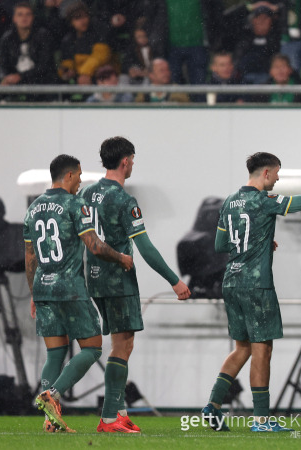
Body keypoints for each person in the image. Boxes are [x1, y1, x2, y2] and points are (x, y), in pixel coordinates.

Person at [201, 141, 301, 433]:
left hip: (231, 280)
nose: (278, 179)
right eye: (277, 174)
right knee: (262, 350)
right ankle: (261, 420)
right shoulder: (265, 201)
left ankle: (212, 405)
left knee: (242, 348)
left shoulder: (229, 200)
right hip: (256, 284)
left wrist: (257, 240)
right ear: (267, 172)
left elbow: (221, 244)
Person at [79, 137, 191, 433]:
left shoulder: (87, 193)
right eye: (133, 159)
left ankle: (120, 411)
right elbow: (145, 247)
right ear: (126, 161)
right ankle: (108, 418)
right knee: (123, 344)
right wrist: (174, 280)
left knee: (120, 343)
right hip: (118, 279)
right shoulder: (124, 200)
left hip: (94, 278)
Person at [24, 154, 133, 433]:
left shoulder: (34, 208)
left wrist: (33, 292)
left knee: (55, 353)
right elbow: (94, 246)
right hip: (70, 288)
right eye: (80, 175)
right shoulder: (75, 204)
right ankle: (53, 394)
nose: (81, 180)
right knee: (93, 347)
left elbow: (29, 257)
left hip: (42, 286)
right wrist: (120, 258)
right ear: (69, 175)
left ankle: (51, 421)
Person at [0, 1, 56, 93]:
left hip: (40, 83)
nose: (24, 18)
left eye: (28, 14)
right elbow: (1, 65)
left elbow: (44, 66)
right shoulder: (7, 38)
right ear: (14, 18)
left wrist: (20, 77)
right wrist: (6, 77)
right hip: (13, 83)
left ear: (32, 17)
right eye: (20, 15)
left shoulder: (44, 36)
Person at [58, 1, 112, 87]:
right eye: (77, 18)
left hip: (100, 76)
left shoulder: (98, 31)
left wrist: (85, 73)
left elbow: (100, 56)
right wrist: (67, 71)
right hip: (79, 78)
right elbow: (67, 62)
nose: (83, 21)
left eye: (85, 16)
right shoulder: (68, 40)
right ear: (71, 22)